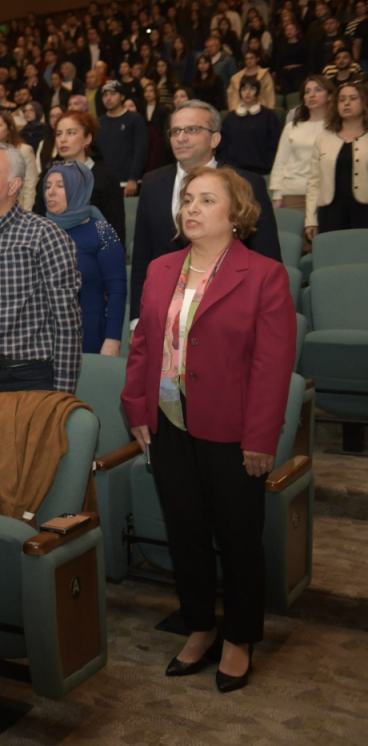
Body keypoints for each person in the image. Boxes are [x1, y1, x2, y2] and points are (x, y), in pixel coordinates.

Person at [122, 166, 295, 694]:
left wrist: (260, 439)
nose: (191, 208)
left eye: (206, 200)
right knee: (187, 533)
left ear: (236, 214)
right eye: (188, 199)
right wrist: (137, 410)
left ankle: (239, 637)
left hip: (232, 431)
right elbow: (144, 346)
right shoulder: (160, 269)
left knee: (239, 539)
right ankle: (200, 625)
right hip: (170, 425)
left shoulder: (263, 274)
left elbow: (272, 364)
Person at [129, 101, 282, 324]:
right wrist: (136, 319)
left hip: (230, 313)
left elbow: (267, 257)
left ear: (214, 139)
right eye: (175, 131)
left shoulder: (247, 184)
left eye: (192, 130)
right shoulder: (152, 183)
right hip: (164, 313)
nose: (180, 138)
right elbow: (143, 256)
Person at [0, 142, 82, 395]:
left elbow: (67, 324)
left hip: (26, 379)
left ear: (14, 185)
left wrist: (61, 397)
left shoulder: (44, 236)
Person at [43, 162, 126, 356]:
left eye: (60, 186)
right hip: (42, 339)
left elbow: (117, 289)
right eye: (47, 186)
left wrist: (113, 339)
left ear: (77, 189)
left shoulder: (102, 231)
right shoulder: (39, 231)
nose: (51, 192)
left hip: (88, 337)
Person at [50, 109, 127, 249]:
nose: (63, 139)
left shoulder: (105, 178)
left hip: (95, 256)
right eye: (58, 134)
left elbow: (116, 230)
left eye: (71, 133)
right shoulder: (47, 177)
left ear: (87, 139)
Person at [308, 79, 368, 237]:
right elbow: (314, 182)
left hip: (364, 211)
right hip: (330, 211)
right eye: (342, 100)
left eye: (353, 99)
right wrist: (311, 220)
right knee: (333, 258)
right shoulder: (323, 138)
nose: (346, 103)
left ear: (365, 103)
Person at [270, 76, 334, 210]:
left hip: (324, 194)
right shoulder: (292, 127)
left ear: (329, 96)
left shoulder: (336, 128)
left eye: (317, 90)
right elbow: (281, 161)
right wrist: (277, 195)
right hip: (292, 193)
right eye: (307, 91)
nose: (312, 95)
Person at [218, 78, 283, 177]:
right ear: (240, 92)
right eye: (244, 89)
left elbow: (275, 145)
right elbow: (222, 146)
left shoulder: (269, 116)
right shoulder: (230, 118)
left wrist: (269, 166)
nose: (247, 93)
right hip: (234, 172)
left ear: (258, 91)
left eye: (252, 89)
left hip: (262, 172)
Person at [95, 81, 149, 197]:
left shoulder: (134, 119)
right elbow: (95, 153)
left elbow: (141, 150)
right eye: (105, 95)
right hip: (104, 184)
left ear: (122, 97)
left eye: (113, 94)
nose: (108, 98)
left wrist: (133, 178)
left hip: (128, 184)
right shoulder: (99, 122)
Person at [0, 111, 40, 210]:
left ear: (10, 129)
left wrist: (26, 215)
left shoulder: (24, 151)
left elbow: (30, 185)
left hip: (16, 211)